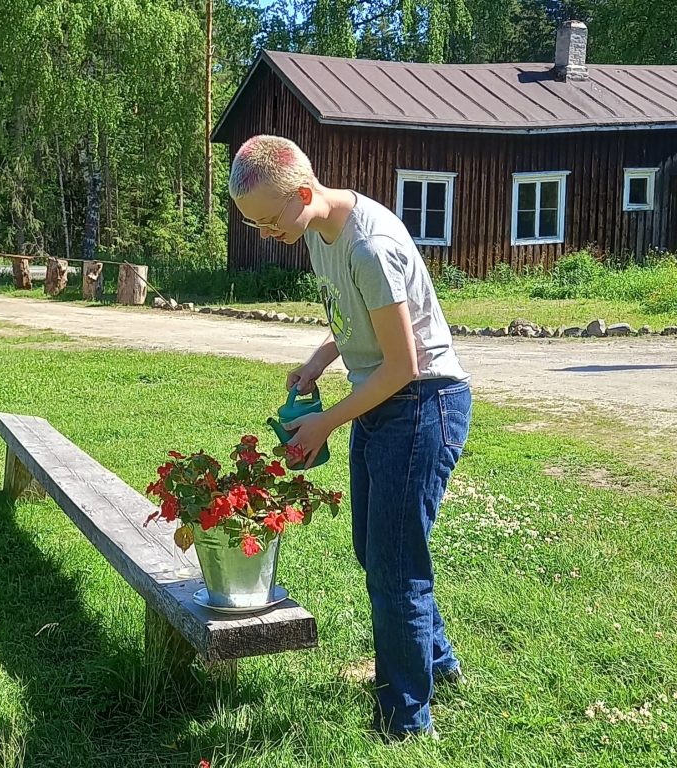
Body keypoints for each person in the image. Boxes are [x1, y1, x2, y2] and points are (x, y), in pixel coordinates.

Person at [227, 134, 472, 740]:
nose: (264, 234)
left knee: (395, 566)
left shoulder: (369, 245)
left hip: (421, 405)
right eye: (254, 224)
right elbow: (353, 317)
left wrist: (326, 420)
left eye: (267, 222)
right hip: (384, 402)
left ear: (304, 194)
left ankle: (407, 723)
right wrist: (317, 362)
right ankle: (436, 662)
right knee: (376, 549)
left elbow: (403, 365)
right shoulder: (316, 231)